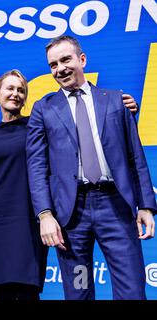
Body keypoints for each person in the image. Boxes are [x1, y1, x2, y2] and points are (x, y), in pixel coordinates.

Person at [26, 35, 156, 300]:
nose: (60, 68)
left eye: (65, 60)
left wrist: (145, 205)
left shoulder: (116, 100)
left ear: (82, 59)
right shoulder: (44, 109)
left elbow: (135, 157)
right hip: (71, 217)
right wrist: (45, 214)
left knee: (131, 289)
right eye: (53, 65)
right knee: (79, 291)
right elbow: (37, 166)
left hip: (116, 208)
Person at [0, 70, 47, 300]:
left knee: (27, 290)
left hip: (27, 217)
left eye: (21, 90)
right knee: (3, 292)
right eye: (10, 88)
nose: (15, 94)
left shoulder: (35, 126)